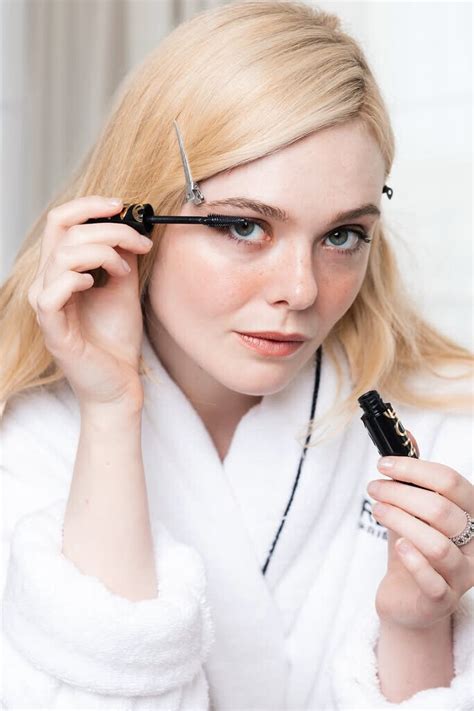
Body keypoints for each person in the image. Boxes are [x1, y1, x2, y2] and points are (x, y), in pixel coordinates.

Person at [1, 1, 473, 708]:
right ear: (132, 220)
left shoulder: (444, 425)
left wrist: (417, 624)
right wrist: (110, 411)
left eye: (342, 235)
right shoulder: (28, 437)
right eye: (244, 227)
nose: (300, 289)